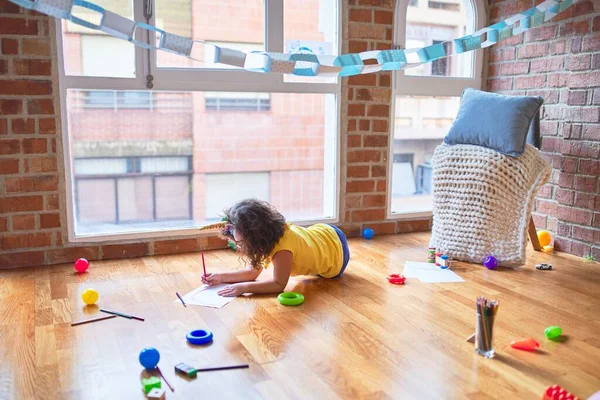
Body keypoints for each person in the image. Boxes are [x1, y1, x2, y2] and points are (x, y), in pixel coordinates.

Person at [201, 199, 350, 296]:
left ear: (256, 237)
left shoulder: (282, 251)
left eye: (242, 244)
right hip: (327, 232)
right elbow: (251, 273)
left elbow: (278, 284)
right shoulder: (270, 235)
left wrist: (244, 288)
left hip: (337, 257)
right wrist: (221, 277)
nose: (240, 248)